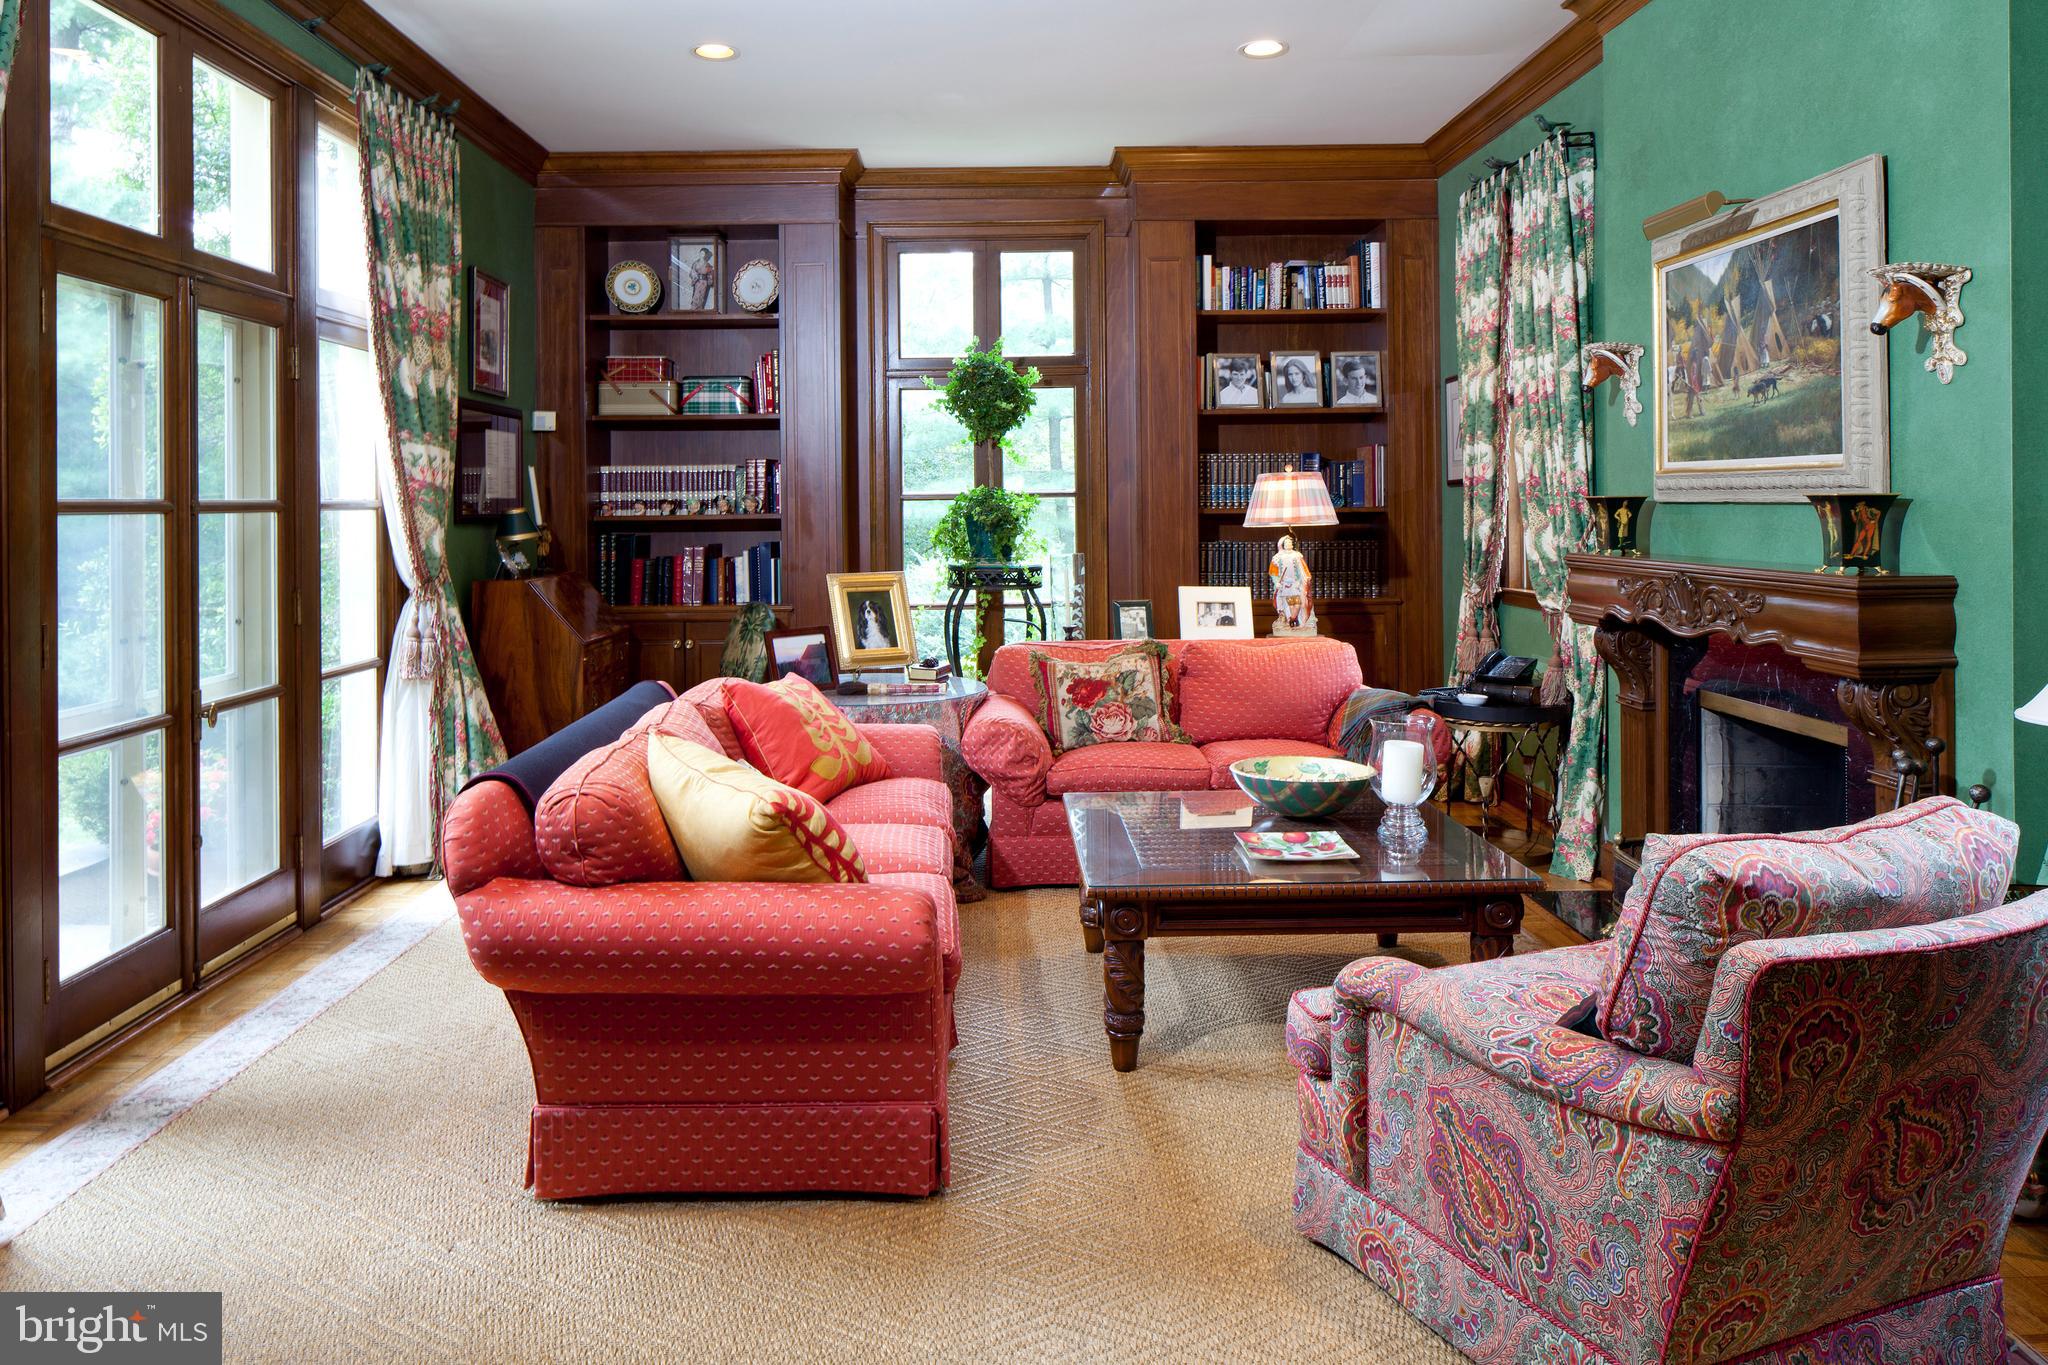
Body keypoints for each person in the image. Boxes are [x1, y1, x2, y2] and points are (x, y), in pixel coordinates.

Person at [1269, 534, 1313, 632]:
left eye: (1290, 542)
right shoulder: (1277, 557)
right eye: (1286, 542)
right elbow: (1273, 572)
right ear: (1282, 544)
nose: (1288, 544)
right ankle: (1290, 620)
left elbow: (1303, 568)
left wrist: (1306, 578)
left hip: (1296, 583)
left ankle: (1294, 618)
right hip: (1284, 585)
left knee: (1297, 603)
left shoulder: (1297, 555)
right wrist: (1276, 582)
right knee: (1288, 604)